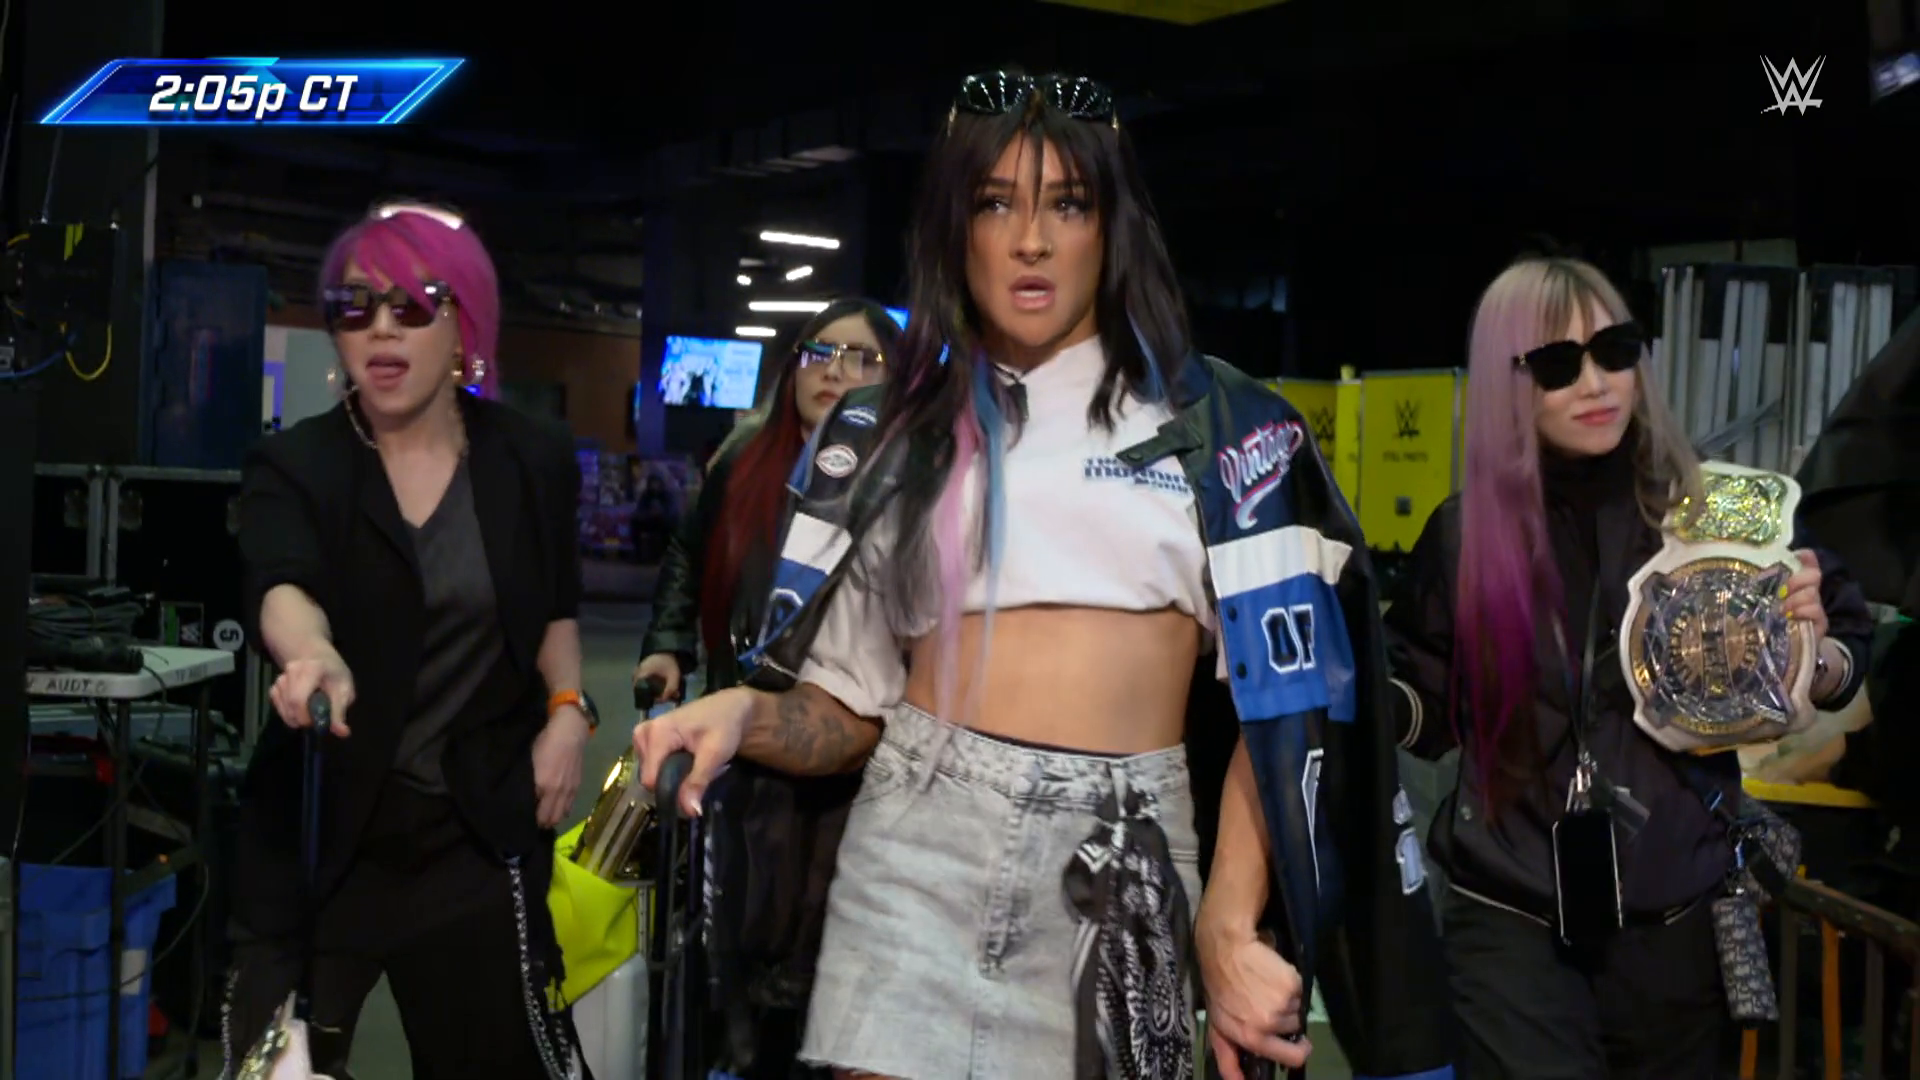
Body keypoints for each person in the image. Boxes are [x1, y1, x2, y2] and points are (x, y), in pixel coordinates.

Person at [633, 71, 1453, 1080]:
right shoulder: (889, 434)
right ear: (955, 228)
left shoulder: (1225, 427)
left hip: (1124, 858)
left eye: (1067, 204)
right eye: (995, 204)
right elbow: (849, 708)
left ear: (1112, 227)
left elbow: (1282, 707)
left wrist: (1229, 919)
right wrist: (744, 716)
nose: (1031, 240)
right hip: (914, 846)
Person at [1385, 256, 1876, 1079]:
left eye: (1614, 350)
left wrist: (1812, 656)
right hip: (1511, 917)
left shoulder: (1720, 509)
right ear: (1509, 382)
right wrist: (1352, 693)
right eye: (1557, 363)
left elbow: (1843, 653)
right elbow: (1426, 704)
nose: (1595, 382)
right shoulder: (1466, 535)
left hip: (1676, 920)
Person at [228, 201, 591, 1080]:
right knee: (273, 1069)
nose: (381, 328)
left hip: (470, 835)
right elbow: (281, 584)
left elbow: (553, 607)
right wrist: (311, 654)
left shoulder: (532, 459)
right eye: (354, 306)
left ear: (465, 321)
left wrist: (568, 710)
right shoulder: (298, 464)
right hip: (323, 833)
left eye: (414, 304)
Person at [635, 298, 901, 702]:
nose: (832, 370)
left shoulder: (909, 483)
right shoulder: (745, 455)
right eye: (818, 353)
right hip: (734, 702)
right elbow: (689, 550)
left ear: (897, 377)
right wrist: (667, 645)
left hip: (848, 718)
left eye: (860, 358)